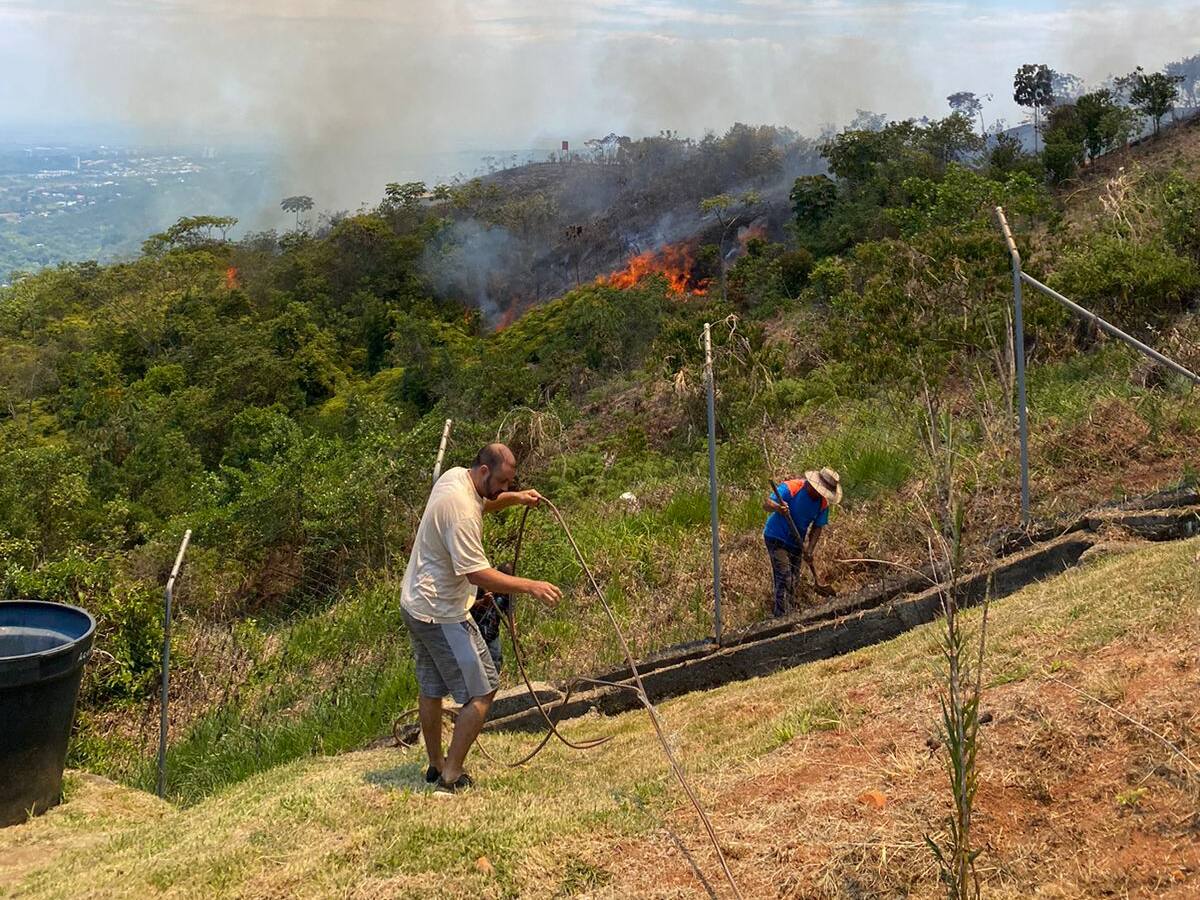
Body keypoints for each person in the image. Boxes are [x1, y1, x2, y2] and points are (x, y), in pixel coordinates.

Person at [400, 443, 562, 793]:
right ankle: (451, 777)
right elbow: (477, 573)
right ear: (485, 471)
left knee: (430, 688)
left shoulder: (456, 478)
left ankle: (434, 765)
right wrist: (531, 586)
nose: (505, 488)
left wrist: (516, 498)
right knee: (483, 691)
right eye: (504, 482)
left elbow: (485, 501)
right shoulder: (461, 513)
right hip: (442, 612)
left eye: (510, 483)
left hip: (415, 603)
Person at [762, 467, 842, 617]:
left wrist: (810, 549)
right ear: (813, 484)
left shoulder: (822, 504)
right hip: (776, 536)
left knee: (794, 580)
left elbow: (817, 527)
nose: (820, 494)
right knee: (784, 575)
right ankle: (781, 618)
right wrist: (779, 508)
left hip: (796, 541)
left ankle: (790, 613)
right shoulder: (792, 487)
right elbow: (766, 504)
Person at [470, 562, 514, 672]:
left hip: (492, 632)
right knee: (476, 662)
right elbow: (467, 606)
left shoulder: (507, 592)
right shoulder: (480, 586)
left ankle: (494, 684)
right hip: (475, 630)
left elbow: (509, 611)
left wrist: (513, 629)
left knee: (496, 660)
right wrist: (484, 601)